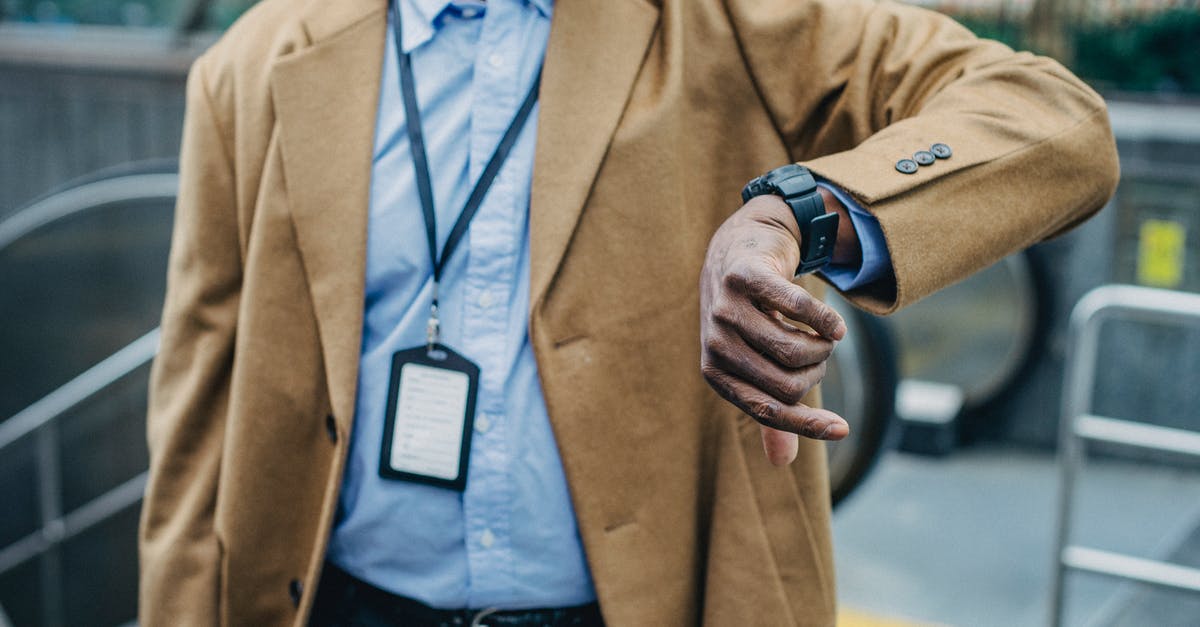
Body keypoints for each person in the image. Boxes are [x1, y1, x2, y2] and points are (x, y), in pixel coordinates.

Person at [138, 0, 1119, 625]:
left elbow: (1053, 121)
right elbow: (195, 436)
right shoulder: (250, 67)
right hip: (344, 606)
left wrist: (800, 217)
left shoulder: (732, 19)